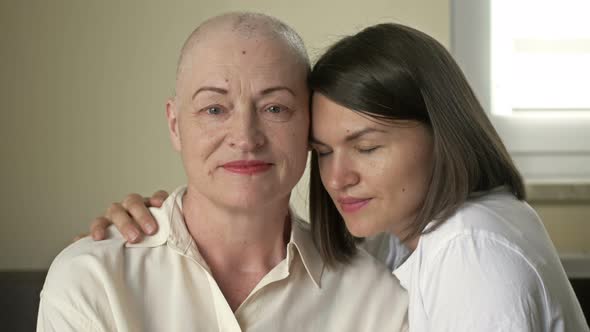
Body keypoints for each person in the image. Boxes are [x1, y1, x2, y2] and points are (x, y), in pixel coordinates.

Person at [93, 23, 590, 331]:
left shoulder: (470, 250)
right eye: (324, 152)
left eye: (368, 147)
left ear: (444, 132)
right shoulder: (407, 240)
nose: (337, 178)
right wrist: (159, 224)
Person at [37, 13, 409, 332]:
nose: (245, 138)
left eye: (275, 108)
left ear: (311, 127)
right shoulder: (92, 278)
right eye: (214, 109)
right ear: (174, 125)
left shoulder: (376, 298)